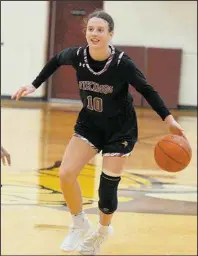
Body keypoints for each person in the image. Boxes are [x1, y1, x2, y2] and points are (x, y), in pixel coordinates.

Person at [11, 10, 185, 255]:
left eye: (100, 30)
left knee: (106, 190)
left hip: (120, 130)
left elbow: (147, 89)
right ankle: (79, 222)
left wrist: (168, 119)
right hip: (90, 124)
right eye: (90, 29)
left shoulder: (122, 63)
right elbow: (56, 60)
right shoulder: (78, 55)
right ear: (86, 32)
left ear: (110, 34)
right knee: (65, 174)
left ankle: (102, 232)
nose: (94, 34)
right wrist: (33, 84)